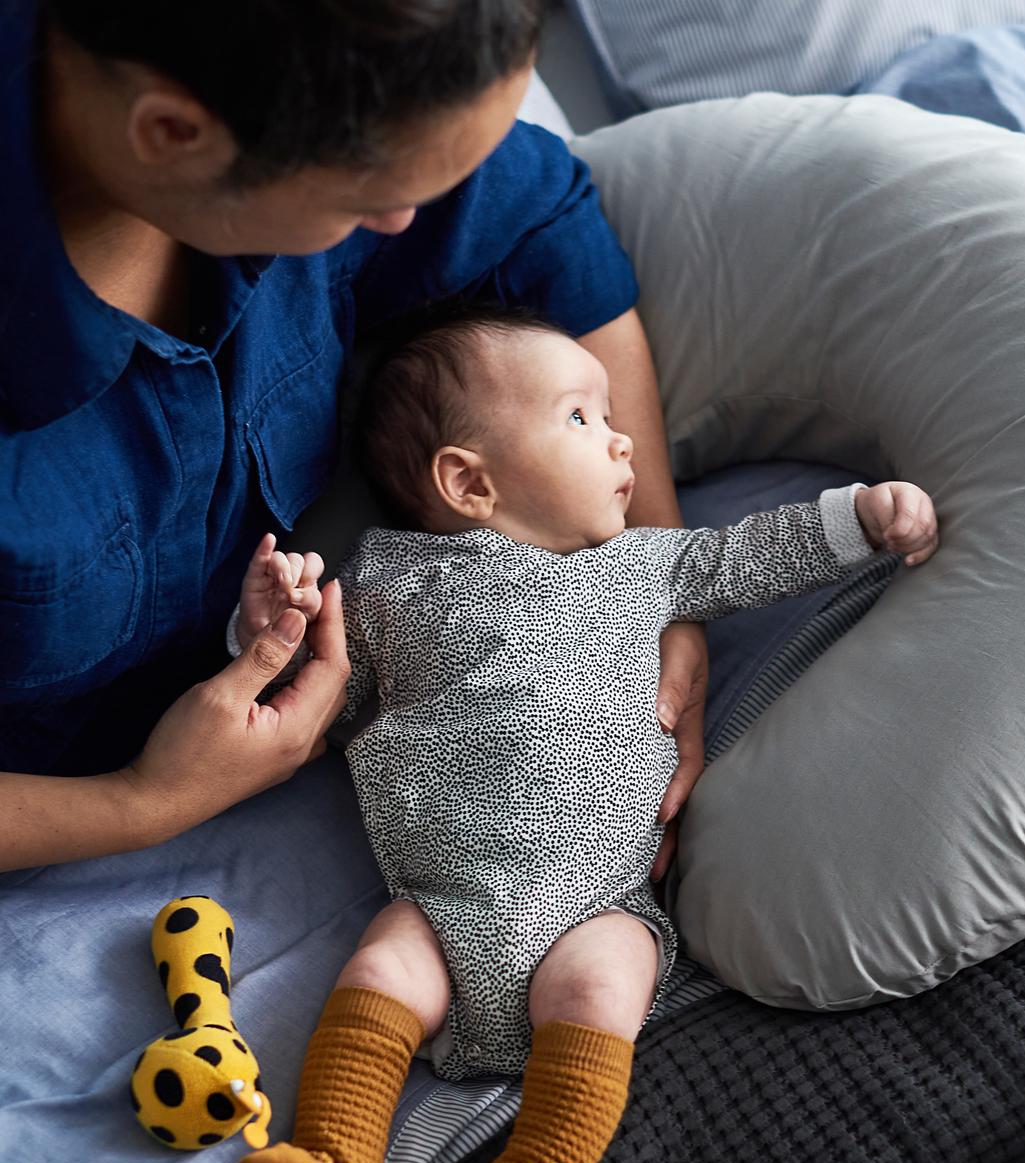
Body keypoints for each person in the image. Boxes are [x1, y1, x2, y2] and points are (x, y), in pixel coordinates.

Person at [226, 307, 941, 1163]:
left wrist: (860, 517)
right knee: (383, 962)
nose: (620, 441)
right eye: (579, 416)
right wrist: (276, 629)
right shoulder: (387, 581)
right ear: (468, 481)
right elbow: (323, 700)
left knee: (607, 982)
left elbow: (744, 557)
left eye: (613, 417)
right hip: (444, 900)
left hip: (594, 902)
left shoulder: (639, 565)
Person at [0, 0, 707, 889]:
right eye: (370, 200)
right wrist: (141, 805)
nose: (410, 221)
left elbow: (540, 222)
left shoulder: (337, 84)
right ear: (176, 135)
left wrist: (652, 570)